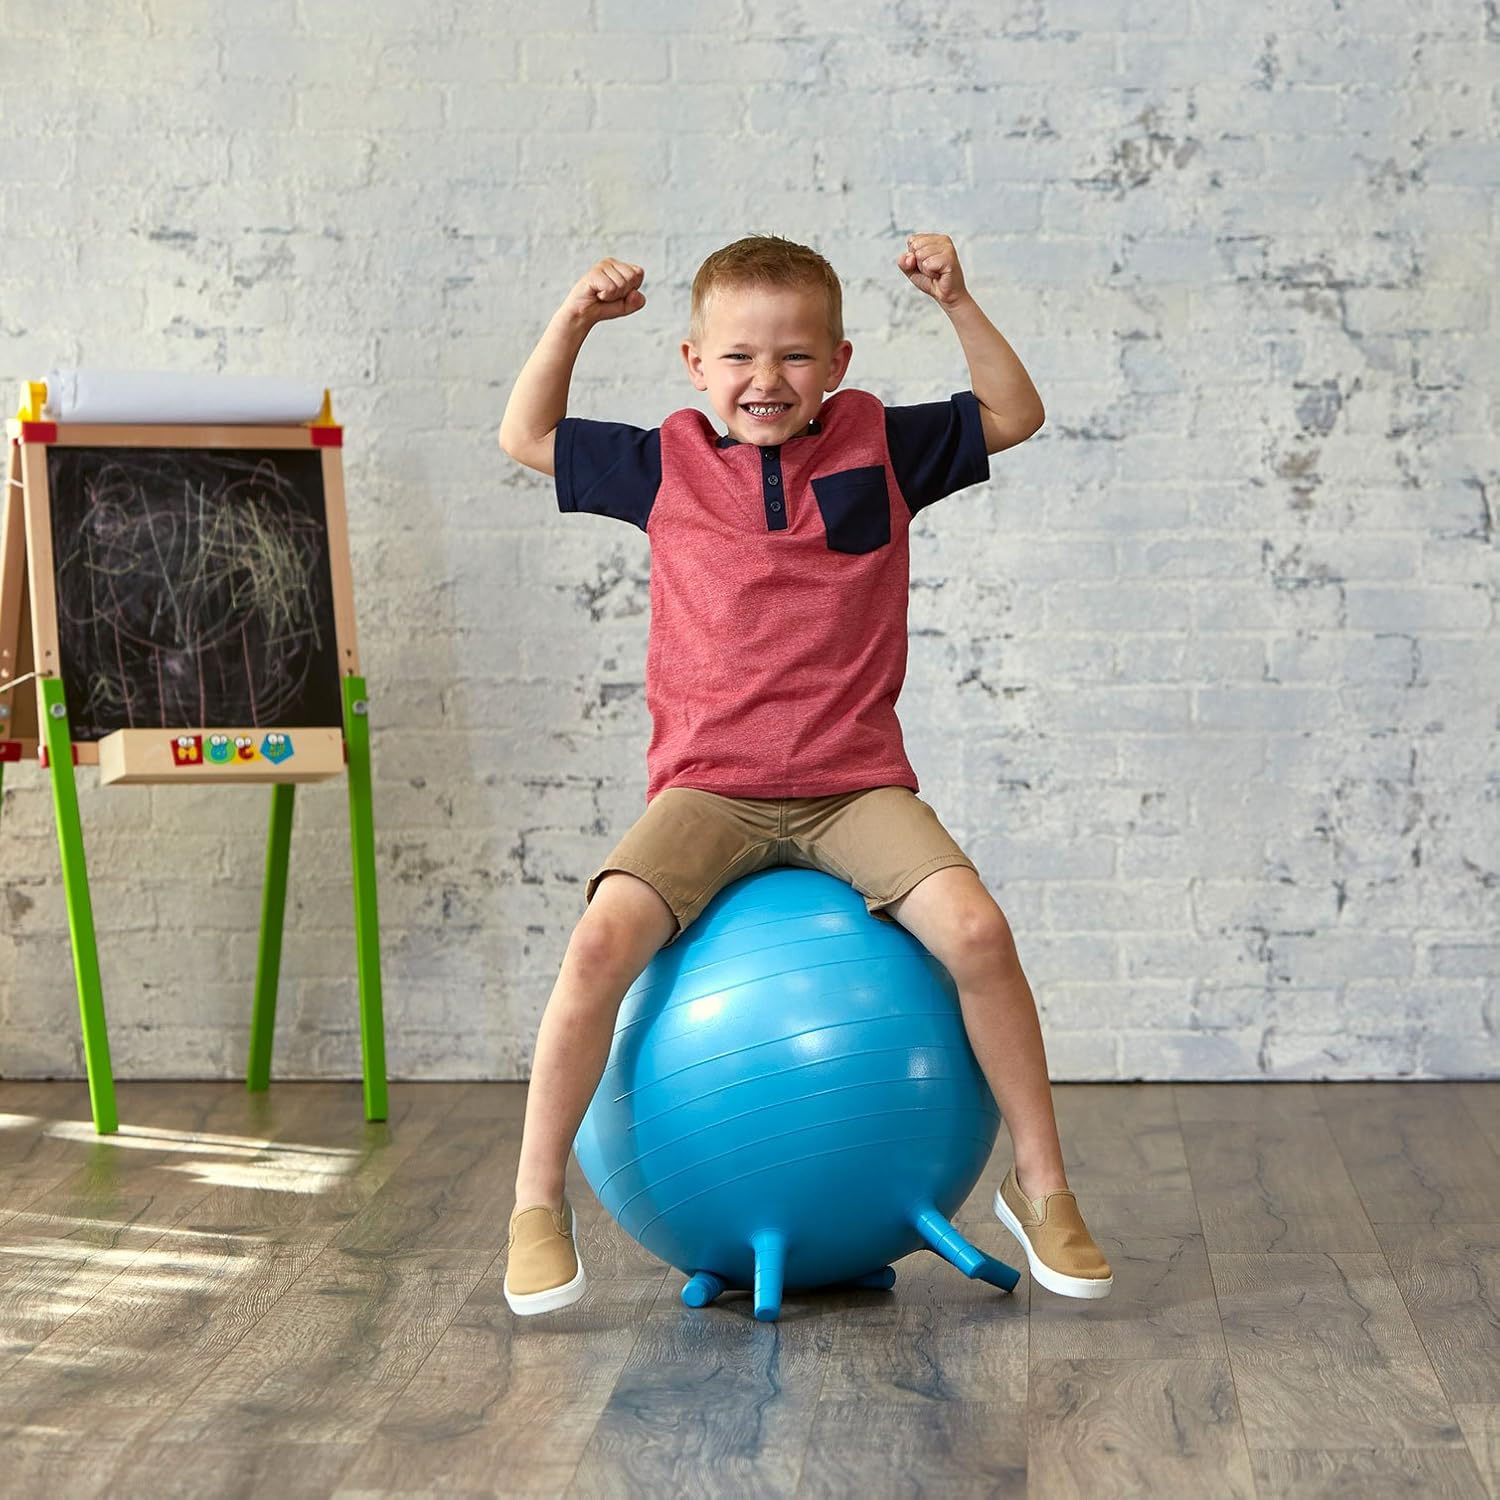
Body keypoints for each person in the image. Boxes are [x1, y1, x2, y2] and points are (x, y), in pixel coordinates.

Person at [496, 232, 1112, 1315]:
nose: (764, 380)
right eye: (737, 357)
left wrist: (959, 303)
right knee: (598, 940)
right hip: (707, 792)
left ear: (837, 362)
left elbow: (1015, 414)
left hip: (854, 789)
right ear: (693, 364)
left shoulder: (882, 445)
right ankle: (536, 1204)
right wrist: (575, 319)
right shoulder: (665, 462)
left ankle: (1045, 1184)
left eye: (792, 357)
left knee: (977, 933)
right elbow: (526, 432)